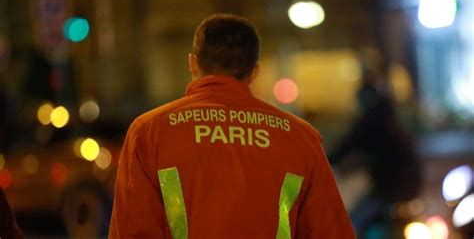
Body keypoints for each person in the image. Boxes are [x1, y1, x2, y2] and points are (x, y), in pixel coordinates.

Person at [109, 14, 354, 238]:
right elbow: (331, 232)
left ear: (193, 63)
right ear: (254, 72)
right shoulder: (301, 137)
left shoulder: (150, 132)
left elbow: (133, 230)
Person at [329, 74, 422, 236]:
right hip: (408, 189)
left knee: (350, 225)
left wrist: (323, 162)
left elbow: (346, 147)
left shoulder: (370, 122)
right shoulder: (389, 119)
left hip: (388, 190)